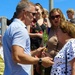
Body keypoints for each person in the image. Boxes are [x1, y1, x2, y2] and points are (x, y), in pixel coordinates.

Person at [2, 1, 54, 75]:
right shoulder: (20, 29)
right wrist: (41, 61)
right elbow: (17, 56)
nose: (34, 17)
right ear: (25, 13)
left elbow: (18, 54)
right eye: (33, 14)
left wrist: (35, 52)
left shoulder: (12, 27)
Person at [45, 8, 66, 75]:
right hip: (49, 62)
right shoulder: (48, 30)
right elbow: (43, 44)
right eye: (52, 17)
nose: (55, 19)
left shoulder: (67, 30)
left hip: (62, 63)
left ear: (61, 16)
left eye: (57, 16)